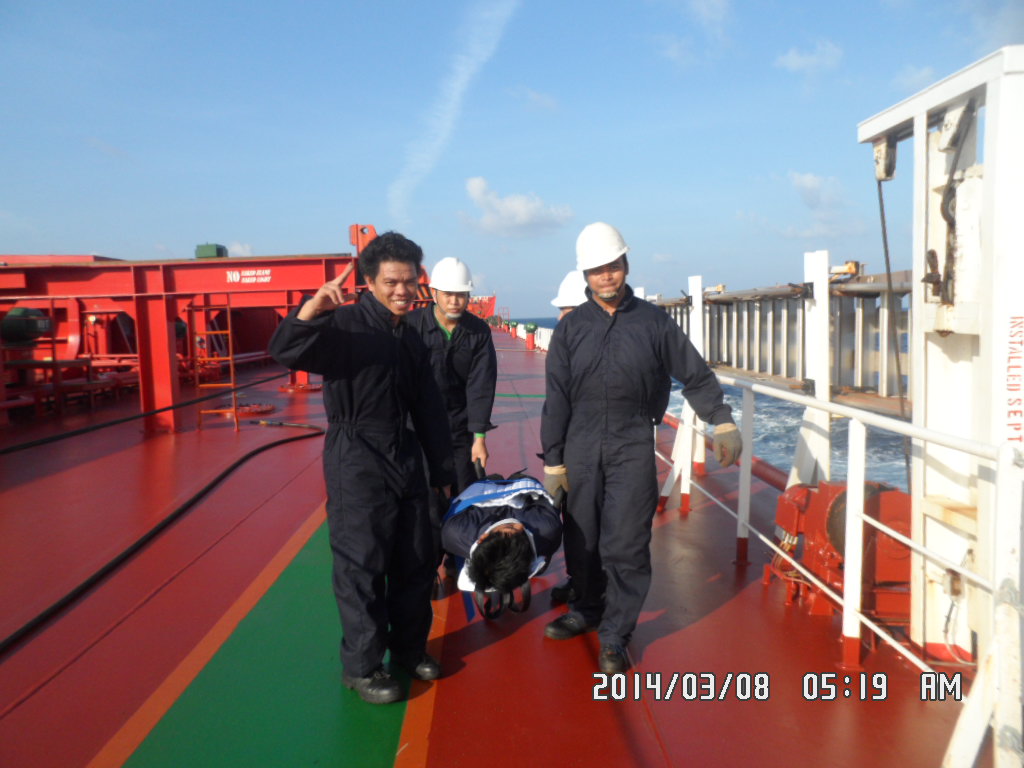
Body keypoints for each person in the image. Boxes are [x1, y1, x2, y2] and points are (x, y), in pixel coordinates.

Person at [540, 222, 742, 675]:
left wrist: (722, 419)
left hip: (632, 440)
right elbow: (557, 398)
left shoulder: (653, 323)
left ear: (626, 265)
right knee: (582, 537)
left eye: (612, 266)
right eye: (597, 270)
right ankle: (586, 608)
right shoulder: (570, 330)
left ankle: (615, 634)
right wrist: (553, 461)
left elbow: (694, 374)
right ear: (585, 275)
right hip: (580, 443)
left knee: (627, 542)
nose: (606, 276)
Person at [268, 232, 455, 705]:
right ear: (369, 282)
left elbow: (429, 407)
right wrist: (312, 310)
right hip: (356, 454)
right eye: (391, 282)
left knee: (415, 558)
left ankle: (408, 650)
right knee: (362, 564)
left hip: (405, 452)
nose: (402, 291)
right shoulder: (344, 326)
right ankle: (363, 667)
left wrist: (441, 472)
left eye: (409, 282)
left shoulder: (410, 336)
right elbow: (285, 350)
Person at [406, 257, 497, 564]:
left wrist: (479, 437)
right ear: (434, 293)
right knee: (425, 498)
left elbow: (481, 386)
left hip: (459, 426)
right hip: (418, 427)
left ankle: (459, 559)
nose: (455, 300)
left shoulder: (478, 332)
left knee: (464, 492)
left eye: (461, 294)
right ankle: (428, 566)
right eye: (448, 294)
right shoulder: (411, 327)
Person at [441, 474, 562, 599]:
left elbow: (457, 503)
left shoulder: (455, 532)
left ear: (482, 538)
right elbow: (543, 500)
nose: (519, 527)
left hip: (484, 490)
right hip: (522, 489)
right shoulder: (546, 529)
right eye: (522, 535)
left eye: (510, 529)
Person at [547, 268, 589, 606]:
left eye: (569, 310)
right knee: (574, 519)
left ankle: (594, 591)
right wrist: (553, 458)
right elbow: (555, 403)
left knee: (596, 524)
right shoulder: (566, 343)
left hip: (593, 445)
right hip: (571, 445)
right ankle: (580, 581)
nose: (562, 318)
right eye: (562, 311)